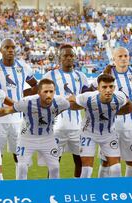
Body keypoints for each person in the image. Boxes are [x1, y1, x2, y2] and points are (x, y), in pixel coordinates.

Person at [0, 78, 70, 180]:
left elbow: (69, 105)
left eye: (51, 91)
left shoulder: (61, 102)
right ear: (39, 92)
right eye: (45, 91)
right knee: (22, 167)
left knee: (55, 167)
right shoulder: (26, 102)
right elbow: (7, 110)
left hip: (48, 138)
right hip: (27, 139)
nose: (48, 94)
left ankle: (53, 191)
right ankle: (22, 193)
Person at [0, 38, 38, 177]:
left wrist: (22, 98)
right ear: (1, 49)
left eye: (13, 47)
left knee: (20, 156)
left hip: (18, 121)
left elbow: (35, 86)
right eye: (7, 47)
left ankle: (20, 188)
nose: (10, 50)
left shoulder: (23, 67)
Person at [95, 47, 132, 177]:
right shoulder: (105, 75)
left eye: (126, 55)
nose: (123, 58)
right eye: (120, 56)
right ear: (114, 59)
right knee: (107, 161)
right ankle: (102, 190)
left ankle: (129, 191)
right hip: (109, 126)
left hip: (130, 126)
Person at [69, 74, 132, 178]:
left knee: (116, 169)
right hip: (88, 134)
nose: (108, 90)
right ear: (98, 88)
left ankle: (112, 192)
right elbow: (71, 100)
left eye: (111, 87)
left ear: (114, 88)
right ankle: (82, 192)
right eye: (104, 87)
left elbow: (130, 106)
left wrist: (117, 112)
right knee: (86, 170)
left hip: (109, 134)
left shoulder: (120, 97)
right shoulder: (88, 97)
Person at [43, 44, 89, 178]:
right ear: (59, 58)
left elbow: (86, 101)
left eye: (71, 55)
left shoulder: (81, 77)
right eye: (65, 55)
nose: (69, 58)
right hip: (56, 128)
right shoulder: (49, 75)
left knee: (80, 161)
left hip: (77, 127)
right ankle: (51, 192)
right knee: (53, 163)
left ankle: (77, 189)